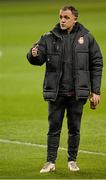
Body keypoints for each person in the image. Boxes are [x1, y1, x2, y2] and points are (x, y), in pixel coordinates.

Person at [27, 6, 103, 173]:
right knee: (53, 129)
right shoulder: (48, 37)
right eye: (61, 16)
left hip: (77, 92)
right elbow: (37, 58)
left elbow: (96, 62)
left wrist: (95, 91)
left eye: (66, 17)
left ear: (74, 19)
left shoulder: (87, 37)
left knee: (74, 129)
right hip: (56, 92)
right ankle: (50, 162)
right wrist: (33, 54)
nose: (62, 20)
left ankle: (72, 161)